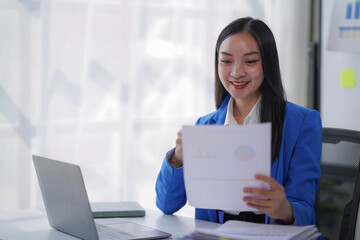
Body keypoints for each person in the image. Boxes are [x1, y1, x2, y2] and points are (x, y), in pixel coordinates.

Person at [155, 17, 322, 226]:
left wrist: (286, 210)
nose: (236, 72)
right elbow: (165, 204)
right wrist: (178, 159)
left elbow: (306, 212)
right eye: (226, 61)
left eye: (250, 61)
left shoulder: (303, 123)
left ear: (268, 63)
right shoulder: (205, 126)